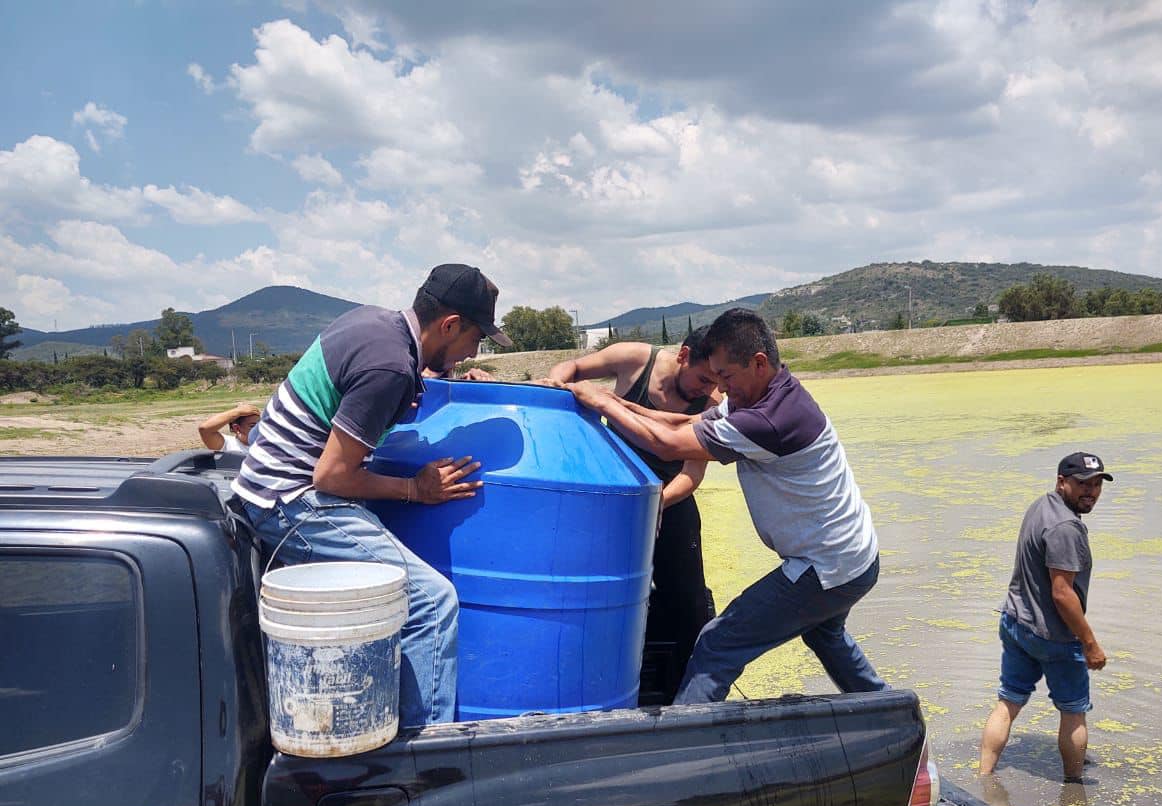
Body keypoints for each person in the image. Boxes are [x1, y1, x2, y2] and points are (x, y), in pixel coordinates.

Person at [231, 263, 512, 726]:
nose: (471, 351)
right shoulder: (390, 365)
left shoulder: (371, 325)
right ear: (449, 325)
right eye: (475, 338)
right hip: (291, 501)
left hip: (264, 486)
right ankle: (424, 753)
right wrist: (415, 490)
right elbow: (332, 477)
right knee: (431, 601)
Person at [563, 308, 886, 703]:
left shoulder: (768, 420)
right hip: (854, 556)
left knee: (718, 642)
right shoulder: (762, 392)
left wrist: (601, 404)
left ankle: (683, 744)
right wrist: (623, 405)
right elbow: (679, 423)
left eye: (726, 378)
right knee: (825, 634)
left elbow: (667, 444)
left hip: (826, 566)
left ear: (759, 362)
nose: (720, 390)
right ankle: (890, 711)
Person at [548, 331, 721, 703]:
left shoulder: (712, 403)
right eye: (704, 378)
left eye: (717, 382)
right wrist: (557, 383)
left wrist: (656, 502)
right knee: (598, 593)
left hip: (669, 504)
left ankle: (688, 697)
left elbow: (692, 474)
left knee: (688, 604)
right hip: (613, 505)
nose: (708, 389)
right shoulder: (635, 360)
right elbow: (575, 367)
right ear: (684, 356)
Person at [979, 452, 1112, 782]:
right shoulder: (1066, 527)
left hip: (1015, 622)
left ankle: (983, 778)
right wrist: (1090, 643)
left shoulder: (1042, 505)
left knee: (1007, 703)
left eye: (1096, 484)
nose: (1091, 491)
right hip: (1053, 637)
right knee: (1074, 710)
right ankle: (1074, 786)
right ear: (1061, 482)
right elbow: (1062, 593)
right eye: (1082, 483)